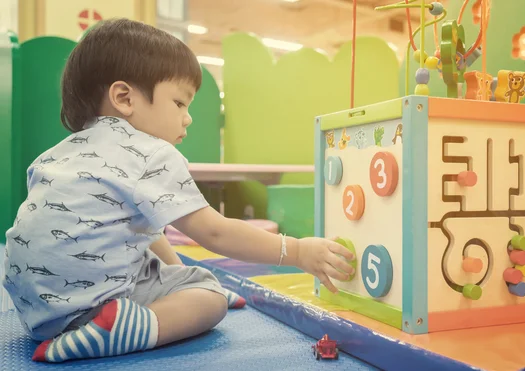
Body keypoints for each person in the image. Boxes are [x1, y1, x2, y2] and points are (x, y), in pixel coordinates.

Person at [1, 18, 355, 363]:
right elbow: (214, 231)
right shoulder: (150, 152)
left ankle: (112, 322)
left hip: (39, 312)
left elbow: (142, 231)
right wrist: (296, 252)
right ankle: (115, 332)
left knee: (184, 275)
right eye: (179, 103)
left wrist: (178, 277)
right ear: (124, 98)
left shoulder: (55, 155)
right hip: (92, 305)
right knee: (210, 298)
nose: (187, 118)